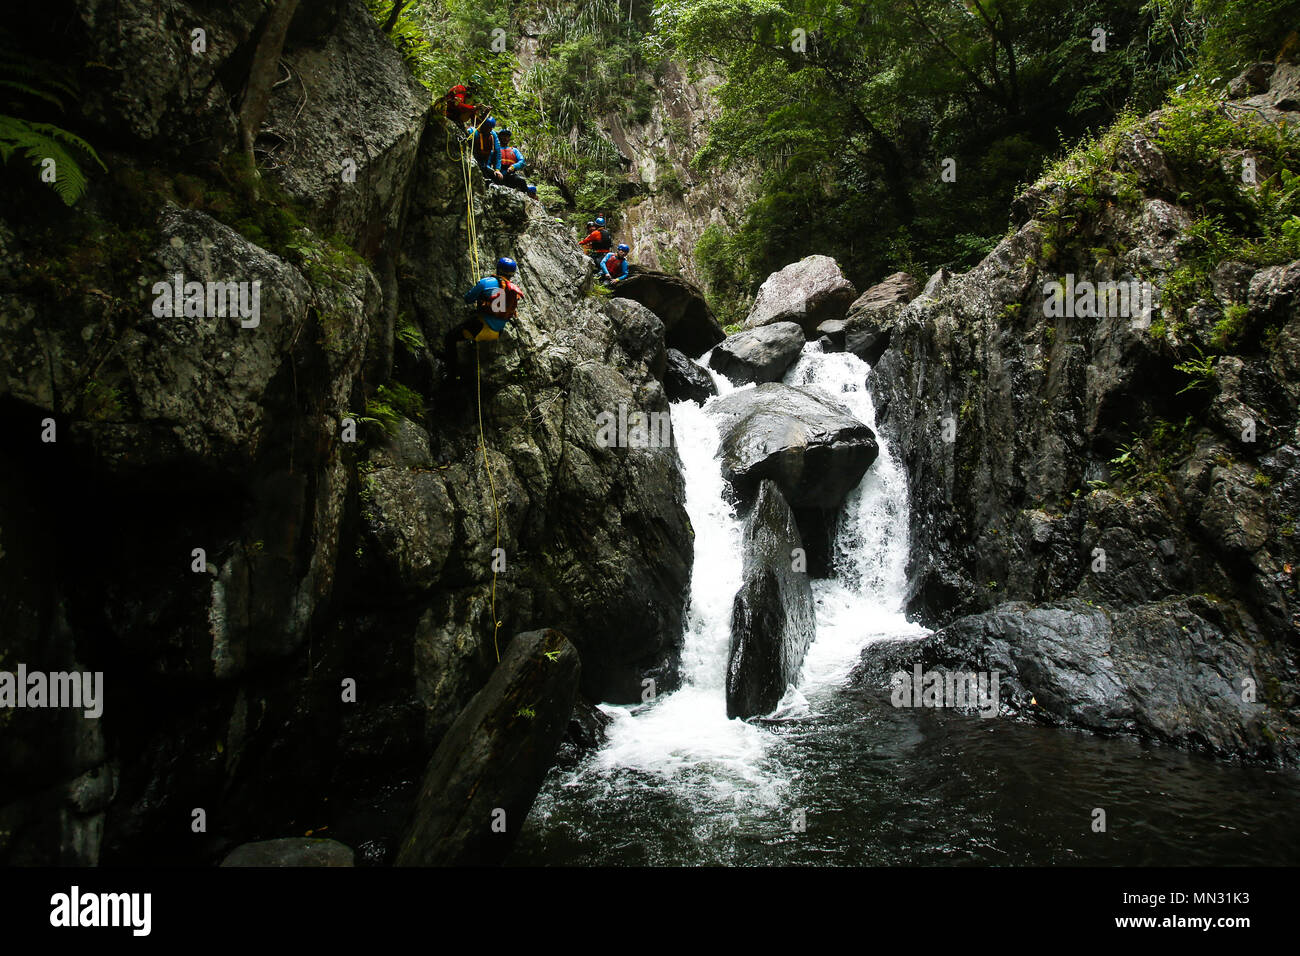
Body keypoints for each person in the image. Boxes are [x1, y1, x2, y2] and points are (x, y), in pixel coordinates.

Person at [443, 257, 524, 380]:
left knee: (450, 338)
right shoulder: (513, 290)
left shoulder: (486, 282)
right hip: (497, 332)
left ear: (498, 269)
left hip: (481, 327)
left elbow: (468, 298)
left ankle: (452, 374)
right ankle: (472, 344)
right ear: (512, 274)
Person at [469, 116, 503, 183]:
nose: (489, 130)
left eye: (490, 128)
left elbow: (497, 153)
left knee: (496, 177)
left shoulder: (493, 135)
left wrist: (497, 169)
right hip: (474, 162)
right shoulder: (473, 132)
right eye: (487, 127)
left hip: (485, 164)